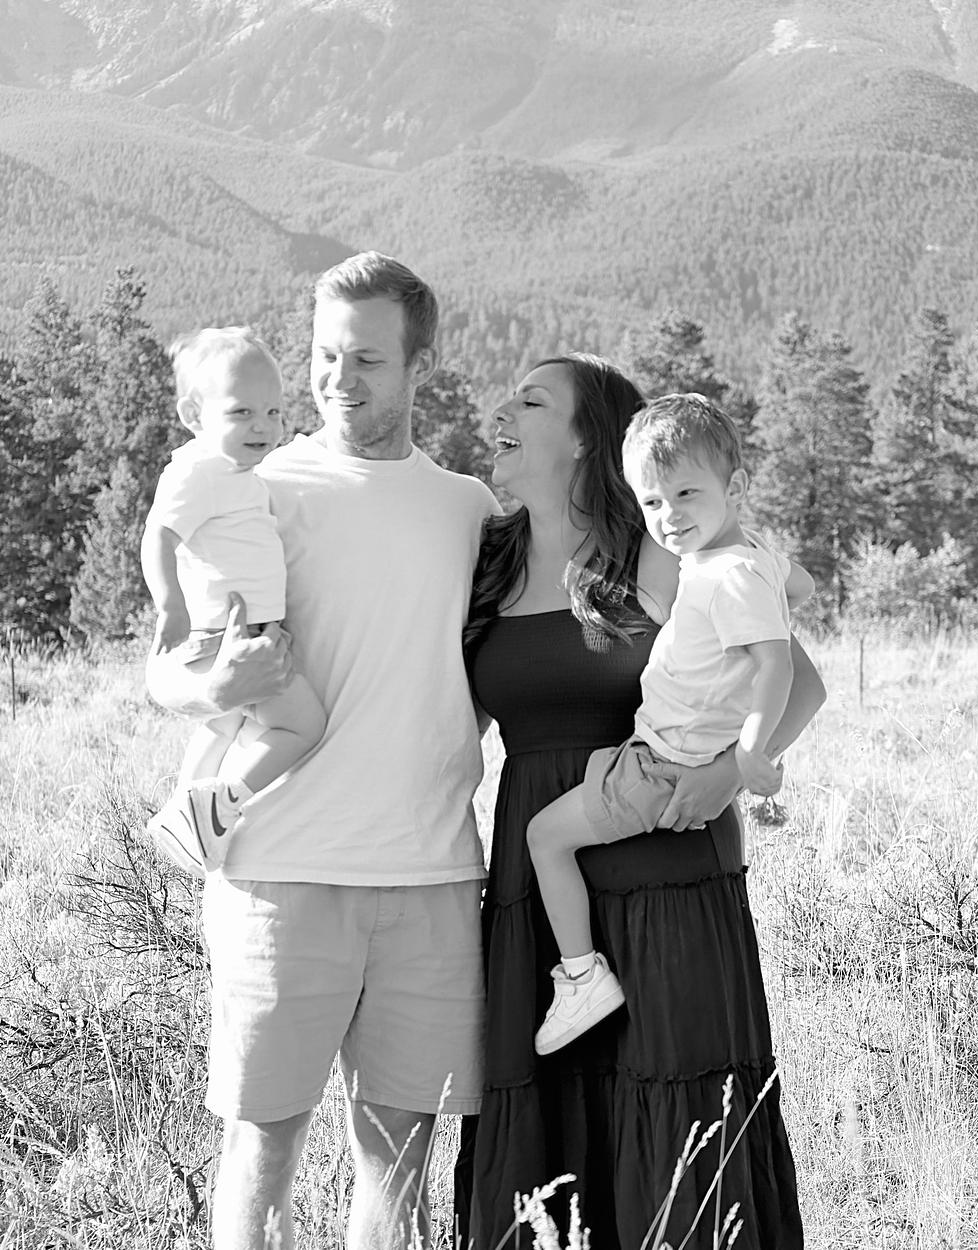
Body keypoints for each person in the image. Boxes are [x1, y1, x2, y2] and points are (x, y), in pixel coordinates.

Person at [144, 254, 497, 1250]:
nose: (339, 378)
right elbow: (167, 667)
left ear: (421, 364)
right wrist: (211, 689)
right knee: (262, 1153)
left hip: (429, 877)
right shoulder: (256, 483)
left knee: (401, 1170)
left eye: (368, 359)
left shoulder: (470, 509)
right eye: (326, 354)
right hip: (276, 875)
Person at [455, 353, 824, 1249]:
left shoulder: (659, 552)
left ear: (588, 438)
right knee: (550, 1128)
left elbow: (799, 684)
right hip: (542, 889)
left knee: (676, 1111)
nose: (501, 412)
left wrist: (730, 772)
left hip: (665, 867)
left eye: (530, 400)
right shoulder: (489, 560)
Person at [525, 392, 815, 1055]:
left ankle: (581, 978)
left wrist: (750, 753)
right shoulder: (747, 559)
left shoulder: (729, 576)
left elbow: (776, 665)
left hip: (662, 770)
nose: (669, 516)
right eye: (652, 502)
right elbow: (800, 586)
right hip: (656, 754)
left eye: (686, 494)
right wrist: (770, 584)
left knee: (546, 838)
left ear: (735, 488)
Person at [141, 327, 327, 875]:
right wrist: (170, 604)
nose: (263, 426)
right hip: (232, 636)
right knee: (303, 725)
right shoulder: (199, 470)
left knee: (223, 725)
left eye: (273, 411)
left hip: (242, 631)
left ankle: (187, 810)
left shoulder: (234, 471)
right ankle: (225, 801)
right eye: (242, 412)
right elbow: (158, 535)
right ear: (193, 415)